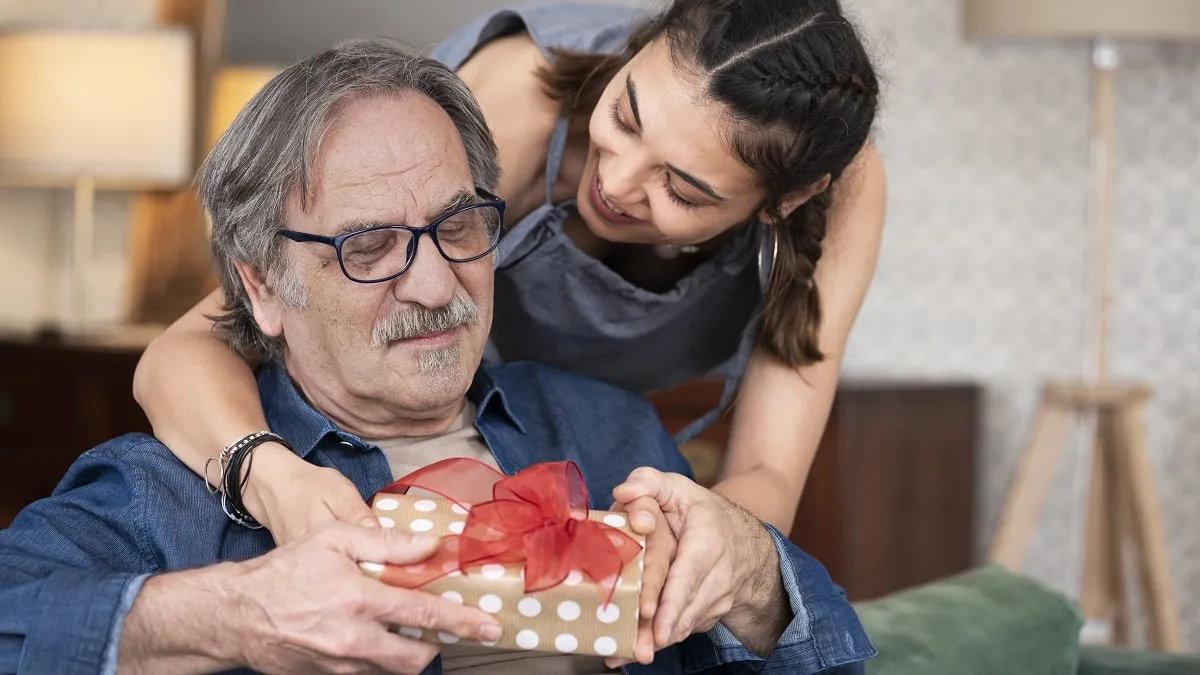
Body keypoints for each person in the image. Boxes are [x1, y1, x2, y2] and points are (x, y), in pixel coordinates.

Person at [0, 39, 874, 675]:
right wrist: (232, 614)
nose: (433, 284)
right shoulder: (165, 486)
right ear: (260, 285)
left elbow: (823, 648)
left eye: (458, 226)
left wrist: (754, 575)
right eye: (370, 245)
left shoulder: (608, 428)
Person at [133, 0, 885, 551]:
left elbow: (766, 474)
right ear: (639, 45)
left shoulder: (845, 194)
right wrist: (273, 478)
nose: (617, 185)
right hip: (398, 432)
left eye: (683, 189)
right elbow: (185, 349)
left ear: (785, 201)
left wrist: (695, 548)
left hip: (593, 452)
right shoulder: (515, 107)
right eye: (624, 117)